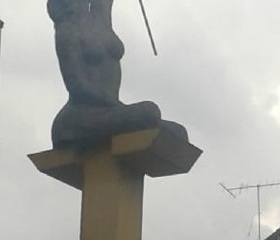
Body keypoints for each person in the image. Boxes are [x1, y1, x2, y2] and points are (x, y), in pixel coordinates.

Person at [47, 0, 186, 147]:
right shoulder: (67, 30)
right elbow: (77, 86)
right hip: (80, 115)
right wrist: (116, 105)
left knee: (179, 132)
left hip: (109, 110)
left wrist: (118, 108)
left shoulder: (99, 18)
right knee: (149, 112)